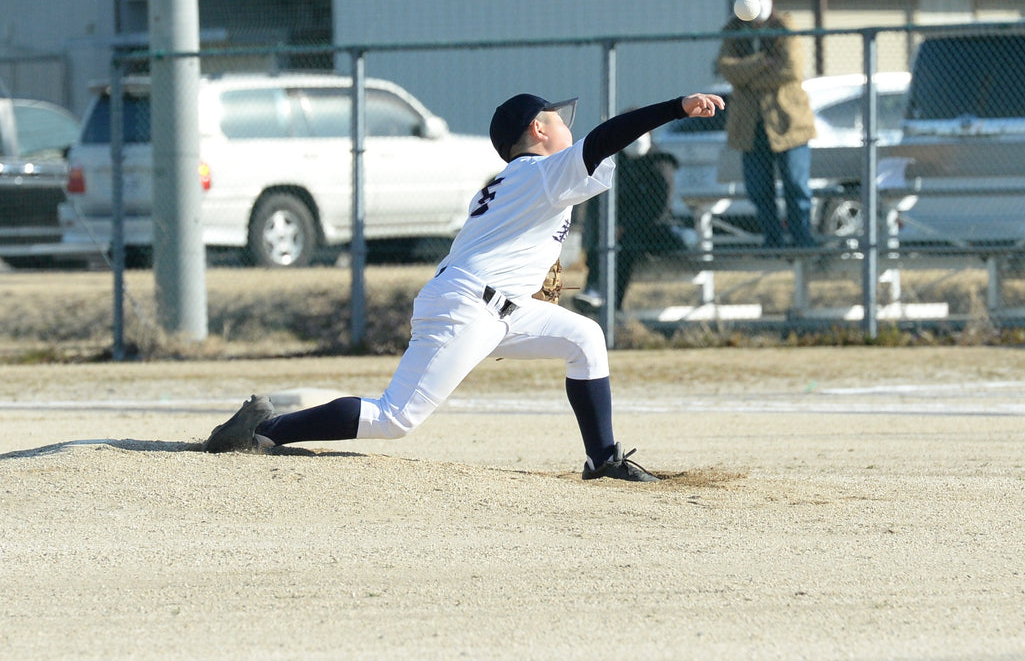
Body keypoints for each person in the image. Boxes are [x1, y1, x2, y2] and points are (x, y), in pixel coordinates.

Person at [204, 90, 725, 482]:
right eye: (556, 120)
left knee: (585, 339)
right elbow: (609, 136)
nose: (568, 128)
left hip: (501, 307)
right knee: (395, 418)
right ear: (537, 130)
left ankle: (603, 459)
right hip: (466, 307)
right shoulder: (540, 173)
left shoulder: (528, 178)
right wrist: (676, 107)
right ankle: (266, 429)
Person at [715, 0, 817, 248]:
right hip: (750, 126)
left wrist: (748, 77)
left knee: (796, 186)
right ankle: (773, 239)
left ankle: (803, 239)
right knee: (759, 189)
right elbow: (726, 68)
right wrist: (762, 62)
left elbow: (791, 69)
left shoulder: (784, 26)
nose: (759, 2)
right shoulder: (734, 31)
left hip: (788, 123)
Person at [575, 132, 687, 313]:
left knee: (626, 246)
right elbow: (602, 202)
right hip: (618, 230)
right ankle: (593, 289)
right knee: (603, 241)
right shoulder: (617, 164)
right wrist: (611, 226)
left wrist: (624, 226)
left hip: (655, 231)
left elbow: (658, 208)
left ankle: (612, 306)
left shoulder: (660, 163)